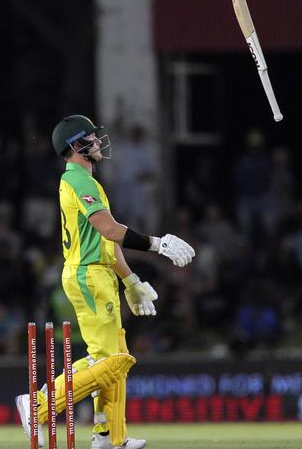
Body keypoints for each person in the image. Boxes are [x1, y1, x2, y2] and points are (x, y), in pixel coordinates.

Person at [16, 115, 195, 449]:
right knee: (111, 360)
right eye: (92, 138)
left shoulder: (87, 181)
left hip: (97, 272)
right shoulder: (79, 180)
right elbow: (111, 230)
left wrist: (131, 281)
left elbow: (108, 243)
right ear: (75, 145)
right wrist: (159, 245)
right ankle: (38, 405)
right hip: (87, 274)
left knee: (114, 355)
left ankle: (108, 436)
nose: (98, 143)